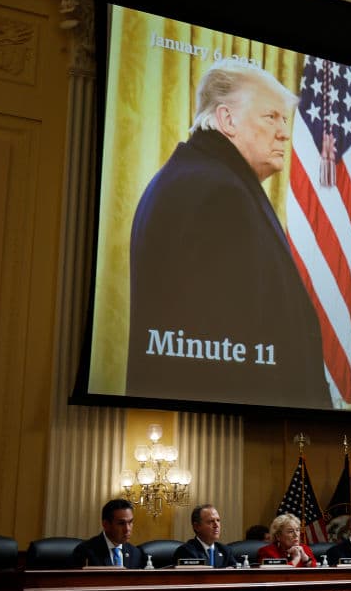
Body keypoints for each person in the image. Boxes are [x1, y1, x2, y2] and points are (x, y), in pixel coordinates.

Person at [125, 58, 330, 409]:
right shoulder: (220, 194)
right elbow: (232, 347)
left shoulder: (198, 177)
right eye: (271, 117)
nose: (284, 132)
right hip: (241, 434)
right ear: (226, 119)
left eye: (285, 119)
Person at [72, 499, 145, 568]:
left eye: (130, 522)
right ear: (106, 524)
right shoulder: (85, 551)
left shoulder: (135, 553)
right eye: (121, 523)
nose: (127, 529)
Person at [173, 504, 234, 568]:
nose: (216, 525)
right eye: (211, 521)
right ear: (196, 526)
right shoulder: (186, 551)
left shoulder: (225, 550)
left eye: (218, 520)